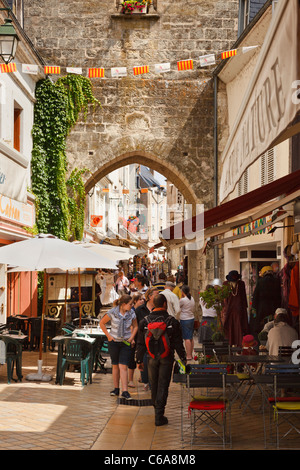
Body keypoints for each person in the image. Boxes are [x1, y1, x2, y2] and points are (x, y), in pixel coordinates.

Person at [136, 294, 186, 426]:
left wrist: (138, 360)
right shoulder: (172, 321)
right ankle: (159, 414)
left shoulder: (145, 321)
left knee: (154, 385)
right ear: (165, 304)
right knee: (163, 384)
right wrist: (183, 358)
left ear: (153, 305)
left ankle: (156, 411)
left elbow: (140, 343)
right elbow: (178, 343)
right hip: (166, 357)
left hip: (150, 357)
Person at [100, 295, 138, 400]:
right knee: (115, 365)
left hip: (126, 342)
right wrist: (109, 336)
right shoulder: (112, 312)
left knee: (123, 366)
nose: (132, 306)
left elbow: (135, 326)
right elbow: (102, 323)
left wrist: (132, 337)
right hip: (114, 342)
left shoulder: (131, 313)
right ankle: (116, 389)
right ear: (123, 304)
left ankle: (125, 391)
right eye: (130, 304)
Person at [135, 287, 159, 390]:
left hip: (156, 340)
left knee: (154, 363)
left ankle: (153, 382)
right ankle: (146, 381)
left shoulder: (159, 309)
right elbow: (134, 325)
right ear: (149, 297)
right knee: (144, 361)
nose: (158, 297)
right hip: (143, 340)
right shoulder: (140, 310)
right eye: (156, 294)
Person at [250, 265, 282, 336]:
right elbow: (279, 296)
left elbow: (255, 297)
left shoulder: (260, 282)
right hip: (274, 308)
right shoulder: (277, 281)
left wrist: (254, 311)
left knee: (262, 328)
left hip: (262, 309)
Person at [222, 270, 249, 347]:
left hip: (238, 310)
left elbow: (243, 298)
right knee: (231, 328)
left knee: (238, 327)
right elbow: (224, 298)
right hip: (230, 310)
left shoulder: (240, 284)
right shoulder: (226, 284)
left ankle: (238, 346)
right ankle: (230, 345)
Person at [127, 293, 145, 388]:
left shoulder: (143, 310)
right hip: (133, 337)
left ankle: (142, 377)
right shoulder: (132, 311)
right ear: (135, 301)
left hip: (141, 338)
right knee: (131, 359)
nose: (142, 301)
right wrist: (132, 338)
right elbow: (131, 325)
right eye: (140, 299)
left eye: (143, 299)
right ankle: (130, 380)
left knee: (141, 358)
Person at [178, 285, 196, 360]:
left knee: (187, 338)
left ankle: (188, 355)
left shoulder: (183, 300)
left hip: (185, 319)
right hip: (191, 318)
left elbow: (178, 307)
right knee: (191, 337)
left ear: (182, 292)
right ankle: (190, 353)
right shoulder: (192, 298)